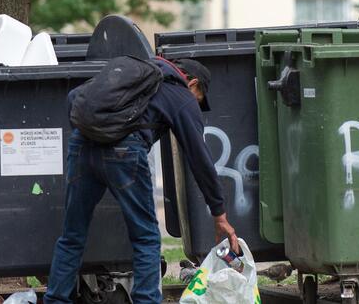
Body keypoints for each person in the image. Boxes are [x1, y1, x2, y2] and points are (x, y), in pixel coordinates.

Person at [44, 57, 239, 304]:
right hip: (124, 154)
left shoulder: (133, 76)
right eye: (199, 98)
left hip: (81, 145)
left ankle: (56, 300)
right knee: (146, 238)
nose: (196, 104)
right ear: (193, 83)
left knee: (72, 235)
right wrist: (219, 213)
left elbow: (74, 97)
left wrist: (92, 136)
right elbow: (199, 157)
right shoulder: (180, 94)